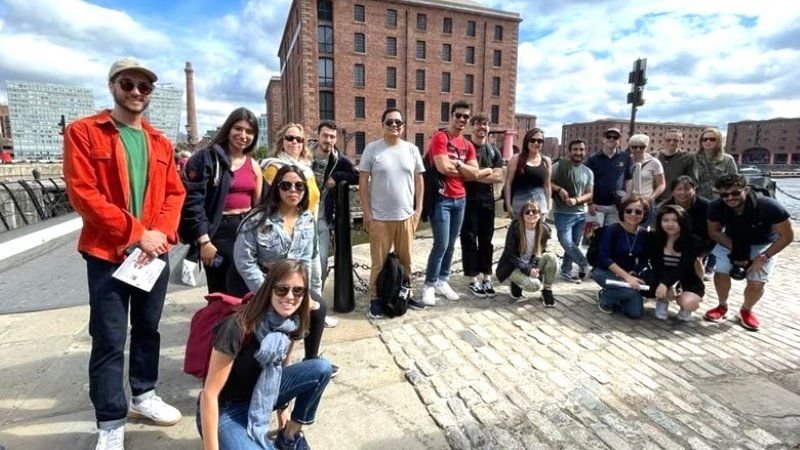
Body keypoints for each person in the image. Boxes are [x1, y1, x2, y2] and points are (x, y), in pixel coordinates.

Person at [63, 58, 186, 450]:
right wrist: (137, 233)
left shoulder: (160, 141)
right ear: (113, 85)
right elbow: (84, 194)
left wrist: (160, 234)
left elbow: (174, 193)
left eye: (144, 87)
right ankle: (110, 420)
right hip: (108, 252)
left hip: (153, 254)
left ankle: (144, 394)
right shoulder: (84, 132)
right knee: (109, 337)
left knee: (148, 329)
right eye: (128, 84)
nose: (136, 92)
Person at [198, 259, 332, 450]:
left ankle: (290, 436)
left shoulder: (289, 323)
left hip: (262, 395)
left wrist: (282, 413)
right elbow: (209, 394)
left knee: (321, 368)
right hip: (226, 410)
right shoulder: (237, 327)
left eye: (298, 290)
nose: (290, 297)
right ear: (269, 289)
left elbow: (280, 367)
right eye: (282, 289)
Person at [232, 164, 337, 375]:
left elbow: (305, 260)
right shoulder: (258, 218)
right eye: (286, 185)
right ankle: (266, 362)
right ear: (277, 188)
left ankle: (310, 358)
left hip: (291, 283)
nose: (293, 191)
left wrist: (302, 292)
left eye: (299, 186)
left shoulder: (307, 220)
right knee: (274, 314)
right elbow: (244, 260)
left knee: (317, 306)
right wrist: (267, 291)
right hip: (259, 281)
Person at [181, 107, 263, 294]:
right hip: (217, 232)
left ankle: (241, 324)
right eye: (238, 129)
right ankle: (220, 324)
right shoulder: (208, 159)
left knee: (245, 291)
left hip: (246, 231)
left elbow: (259, 207)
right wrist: (204, 241)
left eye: (249, 131)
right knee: (220, 293)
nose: (243, 135)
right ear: (228, 129)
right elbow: (193, 203)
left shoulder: (254, 165)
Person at [704, 174, 793, 331]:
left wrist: (763, 257)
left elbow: (787, 236)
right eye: (725, 194)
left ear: (746, 189)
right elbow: (714, 232)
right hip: (731, 241)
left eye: (735, 193)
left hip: (763, 243)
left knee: (756, 282)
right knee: (721, 273)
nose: (730, 198)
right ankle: (722, 305)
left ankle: (746, 309)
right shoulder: (716, 206)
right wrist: (737, 250)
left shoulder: (768, 206)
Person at [359, 108, 426, 318]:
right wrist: (367, 213)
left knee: (406, 260)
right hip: (380, 217)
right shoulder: (372, 149)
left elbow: (419, 180)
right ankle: (375, 298)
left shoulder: (412, 149)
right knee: (378, 262)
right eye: (390, 122)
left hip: (406, 217)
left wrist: (418, 210)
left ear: (403, 126)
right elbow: (362, 182)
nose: (394, 125)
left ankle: (405, 293)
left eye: (398, 122)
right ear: (383, 125)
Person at [422, 100, 479, 305]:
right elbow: (443, 167)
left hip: (460, 199)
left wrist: (459, 165)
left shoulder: (468, 145)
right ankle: (429, 284)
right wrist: (465, 170)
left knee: (452, 243)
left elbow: (475, 173)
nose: (462, 119)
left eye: (466, 116)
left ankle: (442, 280)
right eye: (459, 115)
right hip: (442, 198)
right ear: (451, 115)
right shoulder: (440, 137)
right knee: (441, 243)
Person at [308, 120, 359, 288]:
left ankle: (317, 294)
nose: (328, 140)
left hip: (322, 215)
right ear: (318, 136)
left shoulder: (339, 159)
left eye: (332, 137)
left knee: (321, 259)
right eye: (325, 136)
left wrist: (337, 177)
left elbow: (356, 176)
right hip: (300, 214)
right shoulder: (305, 154)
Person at [460, 113, 504, 298]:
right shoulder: (465, 148)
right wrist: (484, 173)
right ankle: (473, 279)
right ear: (472, 128)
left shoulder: (494, 151)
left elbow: (498, 176)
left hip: (487, 202)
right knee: (469, 240)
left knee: (487, 240)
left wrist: (477, 174)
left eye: (485, 124)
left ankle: (487, 277)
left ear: (488, 127)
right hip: (468, 200)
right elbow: (463, 176)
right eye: (478, 124)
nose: (482, 128)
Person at [590, 197, 650, 319]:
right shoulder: (612, 229)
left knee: (635, 313)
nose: (633, 214)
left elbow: (644, 259)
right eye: (629, 211)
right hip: (605, 271)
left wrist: (635, 272)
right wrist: (626, 277)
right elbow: (604, 258)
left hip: (628, 274)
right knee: (630, 291)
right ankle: (605, 298)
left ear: (644, 214)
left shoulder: (644, 234)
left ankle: (618, 295)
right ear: (622, 212)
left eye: (638, 212)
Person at [645, 205, 704, 321]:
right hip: (661, 275)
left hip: (686, 278)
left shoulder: (693, 242)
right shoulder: (654, 237)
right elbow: (656, 264)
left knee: (689, 302)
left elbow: (684, 267)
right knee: (654, 284)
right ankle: (662, 302)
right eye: (665, 220)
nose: (670, 224)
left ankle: (684, 309)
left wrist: (667, 284)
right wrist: (664, 283)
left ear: (683, 221)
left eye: (675, 220)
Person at [495, 200, 557, 306]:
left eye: (534, 211)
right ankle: (515, 284)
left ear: (539, 214)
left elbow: (540, 252)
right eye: (527, 212)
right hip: (512, 266)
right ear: (522, 215)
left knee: (551, 257)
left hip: (531, 263)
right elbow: (510, 254)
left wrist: (533, 266)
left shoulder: (544, 230)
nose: (531, 214)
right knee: (534, 285)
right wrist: (528, 270)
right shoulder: (515, 228)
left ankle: (547, 290)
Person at [550, 139, 594, 284]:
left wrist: (576, 200)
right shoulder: (557, 166)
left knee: (574, 244)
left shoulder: (588, 172)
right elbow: (546, 183)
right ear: (569, 151)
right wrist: (559, 189)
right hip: (562, 213)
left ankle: (566, 272)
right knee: (566, 243)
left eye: (581, 150)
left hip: (580, 213)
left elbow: (590, 194)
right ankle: (585, 263)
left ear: (585, 152)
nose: (578, 152)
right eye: (575, 149)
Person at [663, 176, 715, 275]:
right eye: (679, 189)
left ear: (694, 189)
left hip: (700, 242)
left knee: (695, 263)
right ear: (673, 191)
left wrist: (701, 254)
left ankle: (697, 287)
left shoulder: (707, 206)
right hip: (673, 241)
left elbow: (712, 234)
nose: (682, 193)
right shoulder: (666, 207)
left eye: (687, 189)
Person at [585, 127, 632, 227]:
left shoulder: (625, 157)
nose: (611, 139)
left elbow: (629, 179)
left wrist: (627, 198)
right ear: (603, 139)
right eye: (608, 136)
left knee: (612, 235)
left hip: (616, 206)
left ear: (619, 140)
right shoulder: (593, 159)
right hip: (597, 205)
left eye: (615, 137)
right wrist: (590, 203)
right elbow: (586, 183)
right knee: (593, 236)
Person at [504, 127, 552, 219]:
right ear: (527, 141)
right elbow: (508, 184)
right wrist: (509, 205)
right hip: (519, 206)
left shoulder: (546, 161)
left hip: (540, 207)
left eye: (539, 141)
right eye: (532, 140)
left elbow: (547, 185)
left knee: (538, 233)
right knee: (519, 232)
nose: (536, 143)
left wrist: (548, 206)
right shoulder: (516, 159)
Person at [625, 134, 665, 229]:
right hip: (627, 201)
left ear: (646, 147)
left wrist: (651, 198)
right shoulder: (626, 161)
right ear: (630, 147)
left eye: (641, 147)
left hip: (645, 200)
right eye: (634, 147)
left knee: (641, 230)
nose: (638, 149)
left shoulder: (654, 162)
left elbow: (662, 184)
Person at [694, 127, 737, 200]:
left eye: (712, 139)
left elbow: (734, 181)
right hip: (697, 200)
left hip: (720, 199)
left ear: (719, 141)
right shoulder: (693, 158)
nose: (708, 141)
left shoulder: (727, 159)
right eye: (704, 139)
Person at [656, 128, 696, 204]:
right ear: (663, 140)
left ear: (681, 141)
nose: (672, 143)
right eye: (668, 140)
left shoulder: (688, 158)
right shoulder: (655, 156)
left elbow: (692, 180)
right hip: (655, 199)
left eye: (675, 140)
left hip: (676, 201)